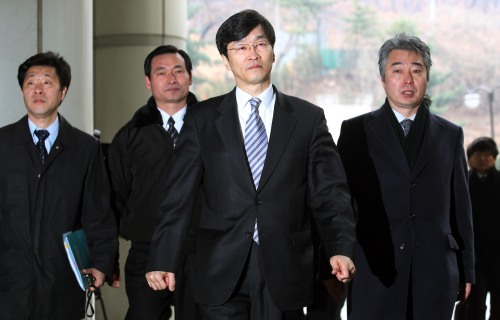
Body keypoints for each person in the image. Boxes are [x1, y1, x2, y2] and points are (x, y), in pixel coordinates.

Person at [145, 9, 356, 320]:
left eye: (260, 44)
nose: (252, 54)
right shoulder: (203, 119)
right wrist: (163, 256)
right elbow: (178, 197)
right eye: (240, 47)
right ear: (225, 59)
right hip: (221, 267)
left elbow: (330, 193)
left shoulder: (308, 118)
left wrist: (341, 246)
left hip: (286, 266)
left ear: (272, 52)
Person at [337, 33, 475, 319]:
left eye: (416, 70)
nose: (407, 79)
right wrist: (336, 255)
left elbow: (461, 209)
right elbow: (339, 204)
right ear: (383, 78)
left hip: (436, 273)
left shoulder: (450, 135)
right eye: (397, 70)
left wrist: (467, 269)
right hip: (374, 269)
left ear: (427, 77)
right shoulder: (355, 132)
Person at [0, 51, 117, 319]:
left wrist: (101, 263)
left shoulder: (85, 149)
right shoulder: (3, 144)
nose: (37, 89)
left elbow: (99, 214)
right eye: (30, 82)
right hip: (8, 283)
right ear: (22, 91)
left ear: (63, 92)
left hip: (61, 282)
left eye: (47, 82)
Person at [107, 45, 201, 320]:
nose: (171, 78)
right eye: (161, 73)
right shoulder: (130, 136)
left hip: (201, 252)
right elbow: (115, 197)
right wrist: (108, 257)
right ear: (148, 81)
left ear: (190, 76)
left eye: (178, 71)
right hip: (146, 250)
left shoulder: (213, 127)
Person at [454, 137, 500, 320]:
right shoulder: (460, 183)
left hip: (498, 252)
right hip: (472, 255)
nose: (483, 158)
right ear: (470, 157)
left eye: (488, 154)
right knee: (474, 303)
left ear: (494, 158)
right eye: (479, 154)